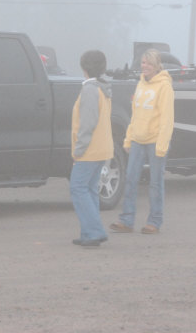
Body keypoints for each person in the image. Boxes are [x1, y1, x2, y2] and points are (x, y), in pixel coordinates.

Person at [110, 48, 174, 235]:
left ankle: (154, 221)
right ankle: (126, 220)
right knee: (130, 179)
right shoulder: (140, 84)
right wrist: (128, 139)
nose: (145, 66)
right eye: (143, 63)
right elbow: (135, 113)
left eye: (149, 63)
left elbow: (167, 118)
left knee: (155, 183)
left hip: (155, 142)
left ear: (156, 65)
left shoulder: (164, 86)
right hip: (138, 139)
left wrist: (162, 145)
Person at [69, 50, 113, 247]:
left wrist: (78, 150)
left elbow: (87, 124)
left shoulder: (89, 89)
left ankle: (94, 231)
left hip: (90, 149)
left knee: (78, 187)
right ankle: (88, 232)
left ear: (84, 67)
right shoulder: (103, 88)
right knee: (89, 189)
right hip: (102, 148)